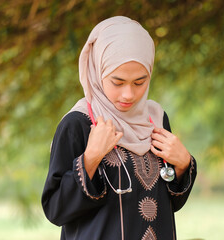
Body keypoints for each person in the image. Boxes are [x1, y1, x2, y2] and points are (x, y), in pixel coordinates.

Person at [41, 16, 197, 240]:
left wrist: (183, 165)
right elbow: (55, 209)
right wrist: (91, 159)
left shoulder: (156, 120)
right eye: (117, 81)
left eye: (139, 82)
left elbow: (171, 204)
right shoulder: (78, 124)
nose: (128, 94)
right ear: (97, 70)